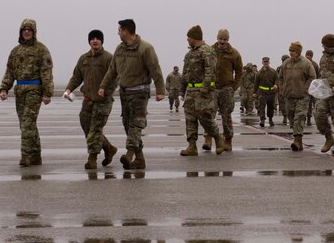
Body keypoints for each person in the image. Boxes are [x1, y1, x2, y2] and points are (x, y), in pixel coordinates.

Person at [98, 19, 165, 170]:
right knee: (128, 126)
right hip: (124, 93)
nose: (118, 33)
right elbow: (112, 70)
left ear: (126, 31)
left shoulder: (145, 48)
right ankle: (140, 159)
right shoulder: (119, 49)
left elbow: (155, 69)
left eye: (119, 30)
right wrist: (103, 86)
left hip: (140, 92)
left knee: (136, 125)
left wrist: (160, 90)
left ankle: (129, 154)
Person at [0, 19, 54, 167]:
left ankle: (26, 155)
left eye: (30, 29)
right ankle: (36, 155)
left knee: (27, 123)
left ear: (34, 32)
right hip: (19, 91)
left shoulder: (41, 50)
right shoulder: (15, 51)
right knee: (26, 124)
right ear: (21, 32)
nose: (27, 32)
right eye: (24, 29)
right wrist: (4, 88)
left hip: (34, 91)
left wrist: (47, 93)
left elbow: (47, 72)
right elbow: (10, 72)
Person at [64, 29, 118, 169]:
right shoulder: (83, 59)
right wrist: (69, 89)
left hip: (103, 101)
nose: (95, 40)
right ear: (89, 41)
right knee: (87, 127)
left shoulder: (109, 58)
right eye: (92, 38)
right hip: (87, 100)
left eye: (98, 38)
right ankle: (108, 148)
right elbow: (76, 77)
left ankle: (92, 158)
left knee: (95, 130)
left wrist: (106, 92)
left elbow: (115, 78)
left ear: (101, 41)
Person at [178, 25, 223, 156]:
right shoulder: (189, 54)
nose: (187, 39)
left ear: (195, 38)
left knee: (205, 118)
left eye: (189, 37)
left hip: (203, 92)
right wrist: (182, 90)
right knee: (190, 118)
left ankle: (218, 139)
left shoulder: (207, 51)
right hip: (191, 91)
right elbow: (185, 73)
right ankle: (192, 146)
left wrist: (205, 88)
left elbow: (210, 71)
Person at [278, 41, 316, 151]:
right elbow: (280, 77)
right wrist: (282, 88)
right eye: (290, 51)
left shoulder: (306, 63)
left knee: (299, 117)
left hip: (302, 96)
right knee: (291, 116)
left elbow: (312, 77)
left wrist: (306, 89)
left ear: (298, 52)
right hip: (289, 95)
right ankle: (296, 135)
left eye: (293, 51)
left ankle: (298, 141)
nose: (291, 53)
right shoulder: (286, 63)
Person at [211, 28, 243, 152]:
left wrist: (233, 87)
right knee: (209, 114)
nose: (222, 42)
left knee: (226, 116)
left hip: (226, 89)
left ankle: (228, 140)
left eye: (224, 39)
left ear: (228, 40)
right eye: (220, 39)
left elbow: (239, 71)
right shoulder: (210, 51)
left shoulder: (234, 53)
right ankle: (208, 138)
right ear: (217, 38)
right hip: (212, 88)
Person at [255, 57, 278, 127]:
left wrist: (276, 84)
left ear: (269, 62)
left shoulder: (273, 71)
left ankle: (270, 119)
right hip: (262, 92)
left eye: (267, 62)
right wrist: (254, 92)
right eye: (264, 62)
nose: (266, 63)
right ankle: (262, 120)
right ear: (262, 63)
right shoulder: (259, 73)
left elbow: (277, 79)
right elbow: (256, 83)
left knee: (271, 107)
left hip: (271, 92)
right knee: (261, 107)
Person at [305, 50, 320, 126]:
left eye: (309, 55)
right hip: (306, 87)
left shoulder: (315, 65)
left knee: (314, 104)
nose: (308, 57)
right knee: (307, 104)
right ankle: (308, 119)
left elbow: (318, 76)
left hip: (313, 87)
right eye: (307, 55)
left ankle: (311, 119)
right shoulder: (303, 64)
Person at [276, 54, 290, 124]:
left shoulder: (292, 68)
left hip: (289, 88)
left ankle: (290, 116)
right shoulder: (279, 68)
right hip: (281, 88)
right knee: (282, 103)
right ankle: (285, 115)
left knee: (289, 103)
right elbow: (276, 78)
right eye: (283, 60)